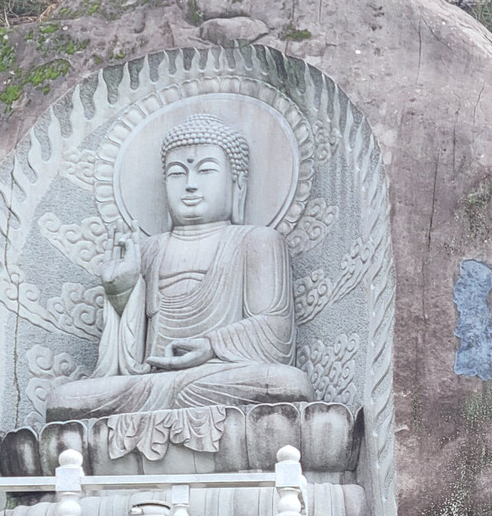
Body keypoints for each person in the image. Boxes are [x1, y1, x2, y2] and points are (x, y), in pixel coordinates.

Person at [45, 113, 314, 453]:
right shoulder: (149, 248)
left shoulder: (257, 240)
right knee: (64, 399)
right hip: (148, 382)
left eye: (205, 170)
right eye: (176, 173)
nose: (189, 184)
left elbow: (275, 330)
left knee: (284, 383)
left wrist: (211, 346)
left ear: (237, 184)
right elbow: (126, 362)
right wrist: (121, 290)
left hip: (218, 375)